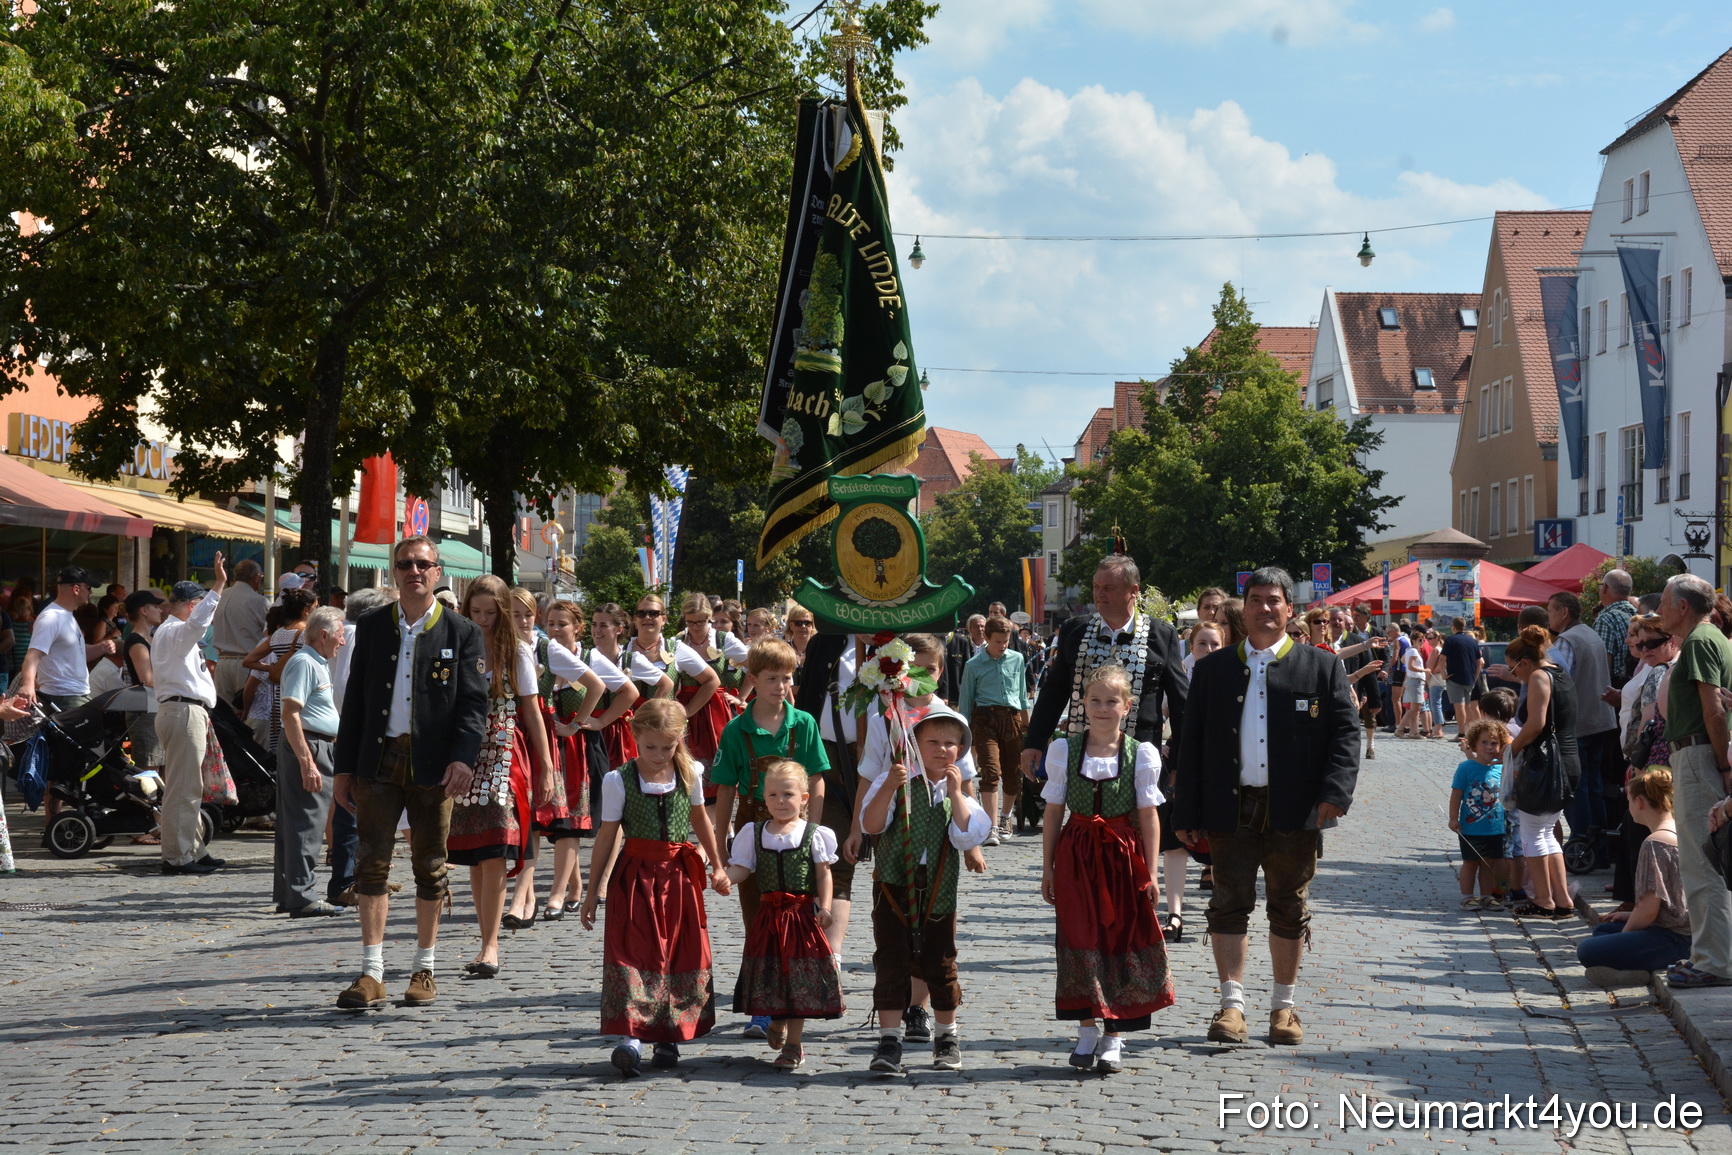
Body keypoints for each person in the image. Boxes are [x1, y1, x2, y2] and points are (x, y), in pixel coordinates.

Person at [1172, 566, 1358, 1048]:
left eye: (1274, 600)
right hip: (1230, 807)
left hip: (1295, 810)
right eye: (1256, 600)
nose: (1265, 608)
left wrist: (1335, 795)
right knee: (1227, 905)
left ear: (1289, 609)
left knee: (1289, 908)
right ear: (1245, 607)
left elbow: (1344, 736)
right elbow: (1190, 745)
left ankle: (1283, 1007)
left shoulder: (1320, 666)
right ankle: (1231, 1007)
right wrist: (1185, 812)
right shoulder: (1214, 670)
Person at [332, 535, 489, 1011]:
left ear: (437, 573)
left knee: (430, 864)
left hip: (434, 765)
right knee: (371, 863)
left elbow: (472, 704)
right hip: (378, 761)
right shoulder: (373, 626)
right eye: (405, 564)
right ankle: (372, 971)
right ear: (393, 572)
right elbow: (355, 700)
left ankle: (425, 966)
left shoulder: (462, 632)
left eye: (423, 564)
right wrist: (344, 769)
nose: (414, 571)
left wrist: (463, 758)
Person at [579, 699, 730, 1076]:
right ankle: (630, 1038)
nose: (659, 755)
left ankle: (669, 1037)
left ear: (680, 740)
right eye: (651, 747)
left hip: (678, 877)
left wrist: (717, 864)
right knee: (634, 950)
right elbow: (607, 836)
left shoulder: (691, 773)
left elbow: (700, 820)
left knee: (677, 952)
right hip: (635, 877)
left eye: (668, 747)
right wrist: (591, 891)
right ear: (634, 737)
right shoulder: (619, 779)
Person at [1040, 664, 1173, 1074]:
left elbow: (1149, 817)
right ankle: (1085, 1029)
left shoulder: (1140, 754)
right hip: (1077, 856)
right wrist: (1047, 867)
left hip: (1121, 857)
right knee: (1079, 937)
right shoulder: (1065, 749)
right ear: (1083, 704)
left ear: (1126, 706)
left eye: (1111, 701)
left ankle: (1114, 1034)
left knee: (1119, 938)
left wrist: (1152, 873)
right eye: (1095, 700)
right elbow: (1053, 811)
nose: (1102, 708)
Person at [859, 705, 991, 1074]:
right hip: (893, 887)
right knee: (891, 960)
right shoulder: (896, 780)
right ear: (914, 744)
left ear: (961, 750)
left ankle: (947, 1037)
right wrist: (888, 786)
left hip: (937, 889)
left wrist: (956, 793)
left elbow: (968, 835)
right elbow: (871, 824)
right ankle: (889, 1039)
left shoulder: (957, 792)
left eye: (950, 743)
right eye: (932, 741)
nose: (941, 749)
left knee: (940, 960)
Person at [710, 636, 829, 1038]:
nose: (781, 686)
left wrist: (813, 830)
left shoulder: (804, 723)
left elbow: (816, 779)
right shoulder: (736, 730)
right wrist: (720, 844)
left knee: (798, 919)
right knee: (759, 921)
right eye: (772, 678)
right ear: (753, 680)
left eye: (787, 677)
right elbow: (725, 789)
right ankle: (763, 1007)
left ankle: (794, 999)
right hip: (752, 829)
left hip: (797, 833)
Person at [446, 577, 554, 973]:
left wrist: (546, 769)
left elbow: (533, 713)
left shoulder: (518, 653)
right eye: (476, 612)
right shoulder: (458, 647)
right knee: (476, 853)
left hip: (504, 754)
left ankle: (490, 946)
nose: (483, 620)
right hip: (464, 755)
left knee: (495, 846)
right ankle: (484, 936)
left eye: (491, 613)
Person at [1021, 555, 1188, 787]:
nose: (1099, 594)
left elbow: (1182, 705)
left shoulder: (1161, 635)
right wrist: (1035, 742)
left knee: (1139, 822)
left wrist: (1180, 763)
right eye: (1096, 587)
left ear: (1133, 591)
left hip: (1139, 758)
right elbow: (1054, 692)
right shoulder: (1075, 630)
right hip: (1084, 754)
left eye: (1108, 588)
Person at [727, 759, 844, 1070]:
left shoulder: (813, 834)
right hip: (768, 917)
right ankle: (775, 1020)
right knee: (771, 974)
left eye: (788, 795)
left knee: (799, 978)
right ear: (764, 798)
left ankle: (794, 1044)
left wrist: (827, 907)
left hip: (801, 916)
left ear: (804, 798)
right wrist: (726, 877)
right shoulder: (753, 832)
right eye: (774, 795)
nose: (781, 801)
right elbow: (742, 867)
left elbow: (824, 873)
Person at [504, 593, 605, 927]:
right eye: (514, 615)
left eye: (528, 615)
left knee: (557, 819)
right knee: (523, 817)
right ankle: (531, 892)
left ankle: (545, 893)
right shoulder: (496, 644)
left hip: (542, 737)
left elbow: (596, 685)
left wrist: (576, 725)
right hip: (508, 734)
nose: (521, 622)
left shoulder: (546, 649)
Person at [1657, 574, 1732, 988]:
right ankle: (1711, 954)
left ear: (1683, 606)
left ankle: (1714, 961)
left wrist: (1722, 765)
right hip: (1703, 753)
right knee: (1710, 860)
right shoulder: (1712, 637)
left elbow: (1714, 708)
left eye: (1666, 603)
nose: (1661, 611)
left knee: (1703, 863)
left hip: (1700, 755)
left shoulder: (1702, 640)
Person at [151, 560, 229, 875]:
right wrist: (219, 586)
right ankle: (177, 856)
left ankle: (192, 848)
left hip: (183, 710)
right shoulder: (176, 631)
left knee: (188, 786)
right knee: (183, 788)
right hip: (183, 711)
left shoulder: (172, 632)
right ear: (192, 605)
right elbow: (197, 625)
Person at [1581, 768, 1691, 986]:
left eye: (1629, 800)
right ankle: (1632, 967)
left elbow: (1648, 910)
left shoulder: (1654, 843)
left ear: (1639, 802)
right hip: (1683, 931)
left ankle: (1635, 970)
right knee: (1604, 930)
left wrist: (1625, 936)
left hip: (1674, 938)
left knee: (1587, 950)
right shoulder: (1680, 830)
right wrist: (1629, 916)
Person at [274, 606, 350, 917]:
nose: (342, 642)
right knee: (307, 823)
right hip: (309, 745)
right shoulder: (305, 662)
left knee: (298, 823)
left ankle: (292, 893)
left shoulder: (313, 662)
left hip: (314, 744)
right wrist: (307, 762)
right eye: (340, 636)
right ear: (323, 635)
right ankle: (301, 896)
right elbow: (290, 712)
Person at [1505, 624, 1581, 920]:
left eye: (1514, 671)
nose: (1515, 677)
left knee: (1533, 834)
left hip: (1546, 765)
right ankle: (1562, 901)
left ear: (1524, 663)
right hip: (1567, 762)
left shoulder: (1538, 676)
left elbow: (1535, 724)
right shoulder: (1560, 673)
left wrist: (1511, 749)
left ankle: (1544, 900)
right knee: (1547, 832)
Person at [1549, 590, 1619, 860]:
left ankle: (1582, 843)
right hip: (1600, 719)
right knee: (1594, 785)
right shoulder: (1591, 633)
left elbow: (1554, 679)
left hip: (1579, 723)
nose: (1549, 616)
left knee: (1576, 787)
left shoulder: (1567, 639)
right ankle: (1598, 846)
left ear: (1564, 613)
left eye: (1551, 610)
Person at [958, 615, 1030, 845]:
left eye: (1006, 641)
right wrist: (965, 735)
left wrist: (1027, 725)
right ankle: (991, 827)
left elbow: (1021, 694)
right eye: (998, 641)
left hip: (1011, 718)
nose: (1003, 646)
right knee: (990, 771)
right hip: (984, 719)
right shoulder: (973, 666)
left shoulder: (1017, 659)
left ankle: (1006, 816)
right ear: (986, 638)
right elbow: (966, 701)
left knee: (1012, 774)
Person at [13, 565, 115, 713]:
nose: (91, 592)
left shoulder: (66, 615)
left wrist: (101, 647)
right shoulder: (51, 617)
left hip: (72, 696)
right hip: (64, 698)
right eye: (89, 587)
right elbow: (32, 656)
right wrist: (28, 685)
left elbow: (77, 652)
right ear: (76, 589)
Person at [1450, 719, 1510, 908]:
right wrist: (1453, 818)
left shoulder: (1501, 768)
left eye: (1494, 743)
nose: (1489, 747)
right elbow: (1456, 794)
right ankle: (1467, 896)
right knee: (1470, 863)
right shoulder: (1466, 768)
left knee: (1489, 863)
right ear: (1474, 743)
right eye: (1484, 742)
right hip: (1471, 827)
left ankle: (1487, 895)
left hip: (1495, 827)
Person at [212, 559, 268, 709]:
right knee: (248, 714)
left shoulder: (219, 596)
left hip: (222, 662)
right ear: (256, 577)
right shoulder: (258, 601)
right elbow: (270, 632)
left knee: (224, 718)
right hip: (246, 663)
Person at [1596, 569, 1637, 688]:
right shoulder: (1637, 614)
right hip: (1634, 684)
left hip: (1614, 687)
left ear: (1605, 588)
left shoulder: (1606, 619)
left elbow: (1603, 662)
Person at [1441, 617, 1484, 731]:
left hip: (1454, 678)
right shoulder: (1472, 641)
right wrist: (1475, 677)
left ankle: (1461, 733)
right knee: (1469, 705)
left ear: (1453, 627)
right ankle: (1473, 731)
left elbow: (1442, 659)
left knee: (1459, 705)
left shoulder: (1450, 640)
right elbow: (1479, 661)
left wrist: (1443, 674)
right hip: (1470, 678)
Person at [942, 614, 986, 705]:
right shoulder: (963, 643)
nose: (980, 629)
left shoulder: (992, 647)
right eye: (976, 626)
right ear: (969, 628)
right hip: (956, 696)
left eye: (982, 626)